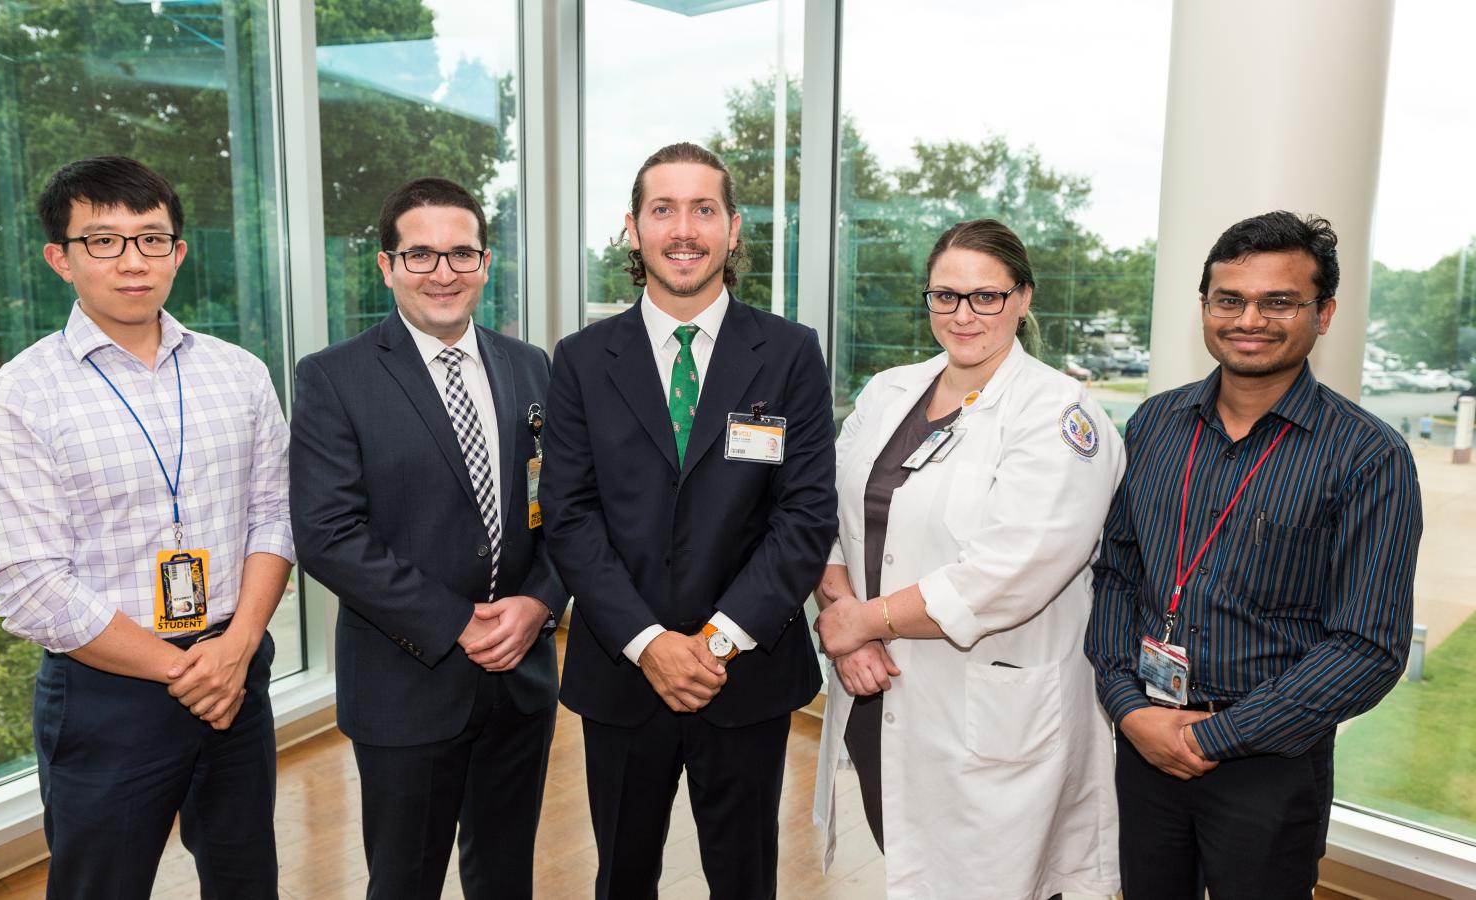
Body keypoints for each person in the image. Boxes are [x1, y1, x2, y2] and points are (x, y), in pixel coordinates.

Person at [0, 156, 293, 898]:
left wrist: (233, 651)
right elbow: (30, 585)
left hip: (236, 666)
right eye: (104, 241)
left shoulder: (240, 374)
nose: (132, 261)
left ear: (178, 251)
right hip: (108, 691)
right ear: (61, 259)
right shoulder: (15, 400)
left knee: (247, 880)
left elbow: (273, 517)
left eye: (151, 238)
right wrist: (186, 671)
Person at [1085, 211, 1423, 899]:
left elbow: (1367, 646)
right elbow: (1119, 573)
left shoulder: (1368, 456)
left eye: (1279, 302)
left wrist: (1217, 737)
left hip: (1270, 763)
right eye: (1229, 299)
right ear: (1205, 307)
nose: (1250, 319)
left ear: (1322, 313)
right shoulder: (1155, 423)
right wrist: (1127, 704)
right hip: (1147, 740)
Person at [539, 141, 837, 900]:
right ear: (632, 230)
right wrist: (649, 644)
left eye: (703, 209)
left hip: (745, 673)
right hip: (621, 673)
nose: (684, 229)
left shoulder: (791, 353)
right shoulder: (578, 359)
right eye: (662, 209)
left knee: (745, 880)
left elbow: (804, 515)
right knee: (623, 877)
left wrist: (713, 641)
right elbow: (570, 518)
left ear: (733, 230)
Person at [812, 219, 1125, 899]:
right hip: (880, 687)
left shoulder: (1059, 415)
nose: (963, 314)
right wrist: (843, 618)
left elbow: (1013, 570)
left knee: (993, 882)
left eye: (986, 296)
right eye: (945, 295)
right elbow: (826, 514)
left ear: (1022, 299)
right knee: (906, 859)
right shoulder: (889, 392)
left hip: (992, 709)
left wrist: (867, 621)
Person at [290, 176, 567, 899]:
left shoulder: (532, 366)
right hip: (406, 687)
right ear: (386, 265)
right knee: (404, 882)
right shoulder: (333, 378)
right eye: (420, 255)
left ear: (485, 261)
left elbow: (568, 508)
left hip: (522, 681)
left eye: (460, 254)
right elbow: (326, 533)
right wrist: (456, 624)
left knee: (505, 878)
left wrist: (539, 604)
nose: (443, 273)